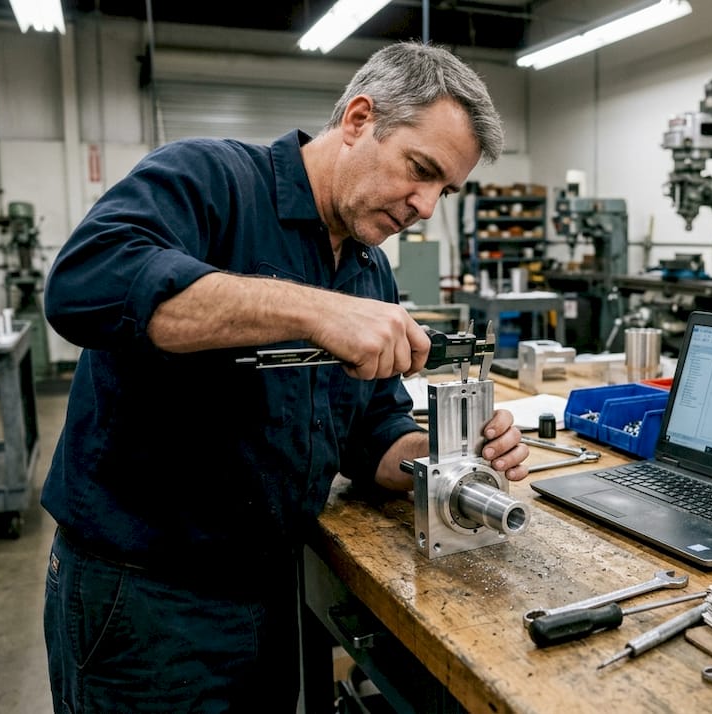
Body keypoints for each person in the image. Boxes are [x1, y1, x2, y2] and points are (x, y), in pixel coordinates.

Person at [40, 41, 528, 712]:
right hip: (146, 602)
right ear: (359, 119)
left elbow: (371, 434)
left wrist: (448, 456)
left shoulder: (366, 267)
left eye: (444, 189)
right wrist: (314, 311)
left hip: (272, 587)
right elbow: (85, 285)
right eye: (420, 170)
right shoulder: (210, 180)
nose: (425, 206)